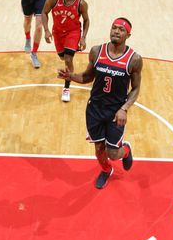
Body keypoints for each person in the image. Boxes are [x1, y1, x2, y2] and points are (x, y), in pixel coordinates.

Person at [57, 18, 141, 189]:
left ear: (128, 35)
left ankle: (125, 151)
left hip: (115, 112)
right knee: (99, 149)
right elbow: (87, 76)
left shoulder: (134, 59)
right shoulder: (97, 51)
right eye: (114, 28)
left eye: (121, 30)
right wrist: (71, 76)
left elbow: (136, 89)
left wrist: (124, 109)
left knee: (113, 153)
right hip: (94, 109)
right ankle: (106, 170)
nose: (116, 32)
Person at [41, 0, 90, 103]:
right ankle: (69, 56)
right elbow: (44, 12)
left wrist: (83, 37)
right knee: (62, 57)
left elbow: (86, 20)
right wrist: (46, 30)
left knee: (68, 59)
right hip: (57, 33)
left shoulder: (81, 3)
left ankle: (66, 88)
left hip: (73, 32)